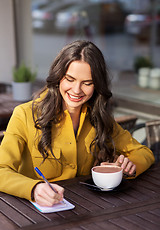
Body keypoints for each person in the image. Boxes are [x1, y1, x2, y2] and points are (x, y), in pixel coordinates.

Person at [0, 40, 155, 207]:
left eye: (87, 83)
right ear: (58, 76)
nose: (76, 90)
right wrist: (33, 188)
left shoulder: (99, 118)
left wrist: (130, 166)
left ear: (97, 85)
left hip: (87, 209)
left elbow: (144, 153)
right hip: (34, 212)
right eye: (70, 79)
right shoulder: (24, 115)